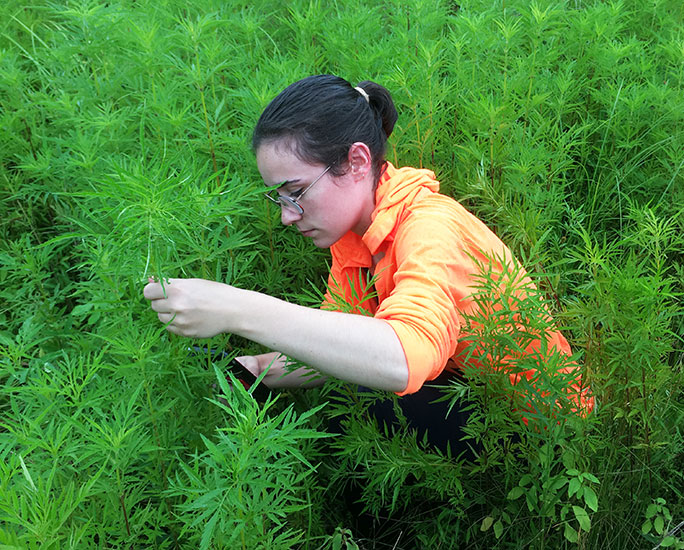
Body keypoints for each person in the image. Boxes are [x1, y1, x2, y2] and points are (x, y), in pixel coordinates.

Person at [143, 75, 593, 450]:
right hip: (470, 398)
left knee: (361, 392)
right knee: (347, 369)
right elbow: (331, 343)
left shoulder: (429, 226)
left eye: (296, 192)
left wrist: (236, 308)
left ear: (357, 161)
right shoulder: (352, 240)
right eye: (277, 197)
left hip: (544, 431)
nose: (286, 215)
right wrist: (254, 369)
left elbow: (403, 357)